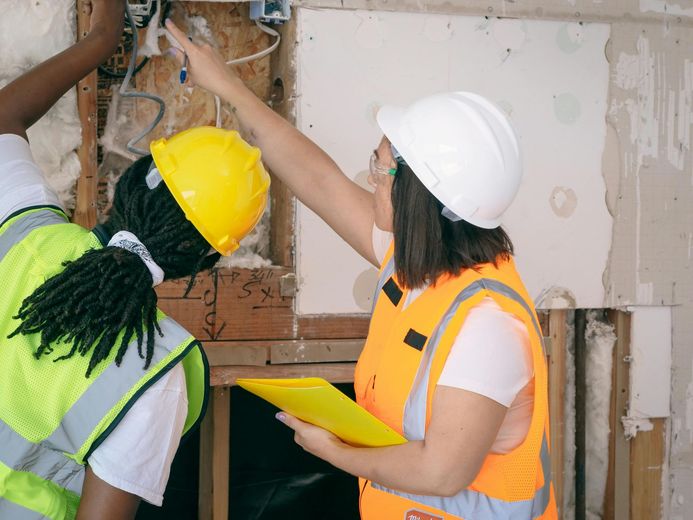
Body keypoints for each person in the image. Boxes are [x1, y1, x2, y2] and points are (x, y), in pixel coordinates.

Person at [166, 18, 558, 520]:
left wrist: (331, 450)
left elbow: (442, 472)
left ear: (415, 194)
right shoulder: (414, 265)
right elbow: (320, 180)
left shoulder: (486, 325)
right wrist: (228, 87)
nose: (370, 179)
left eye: (379, 167)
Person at [0, 2, 270, 519]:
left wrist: (102, 38)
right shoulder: (153, 373)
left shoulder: (26, 234)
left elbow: (4, 116)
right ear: (205, 261)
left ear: (129, 182)